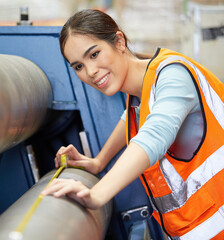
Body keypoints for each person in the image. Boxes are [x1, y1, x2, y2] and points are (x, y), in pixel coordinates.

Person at [41, 9, 224, 239]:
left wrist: (97, 194)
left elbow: (155, 134)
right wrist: (98, 162)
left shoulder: (173, 76)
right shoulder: (139, 97)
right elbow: (130, 118)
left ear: (119, 42)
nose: (90, 72)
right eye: (78, 66)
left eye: (94, 54)